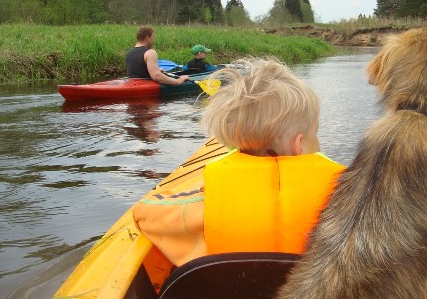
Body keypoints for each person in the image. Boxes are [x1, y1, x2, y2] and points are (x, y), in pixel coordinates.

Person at [133, 58, 345, 267]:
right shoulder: (348, 195)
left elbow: (144, 213)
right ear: (299, 145)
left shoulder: (204, 203)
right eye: (315, 133)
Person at [125, 26, 189, 85]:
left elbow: (138, 73)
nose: (153, 40)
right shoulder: (150, 52)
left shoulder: (129, 53)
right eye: (152, 37)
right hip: (146, 87)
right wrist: (178, 81)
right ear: (147, 38)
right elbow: (156, 77)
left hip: (132, 84)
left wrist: (156, 70)